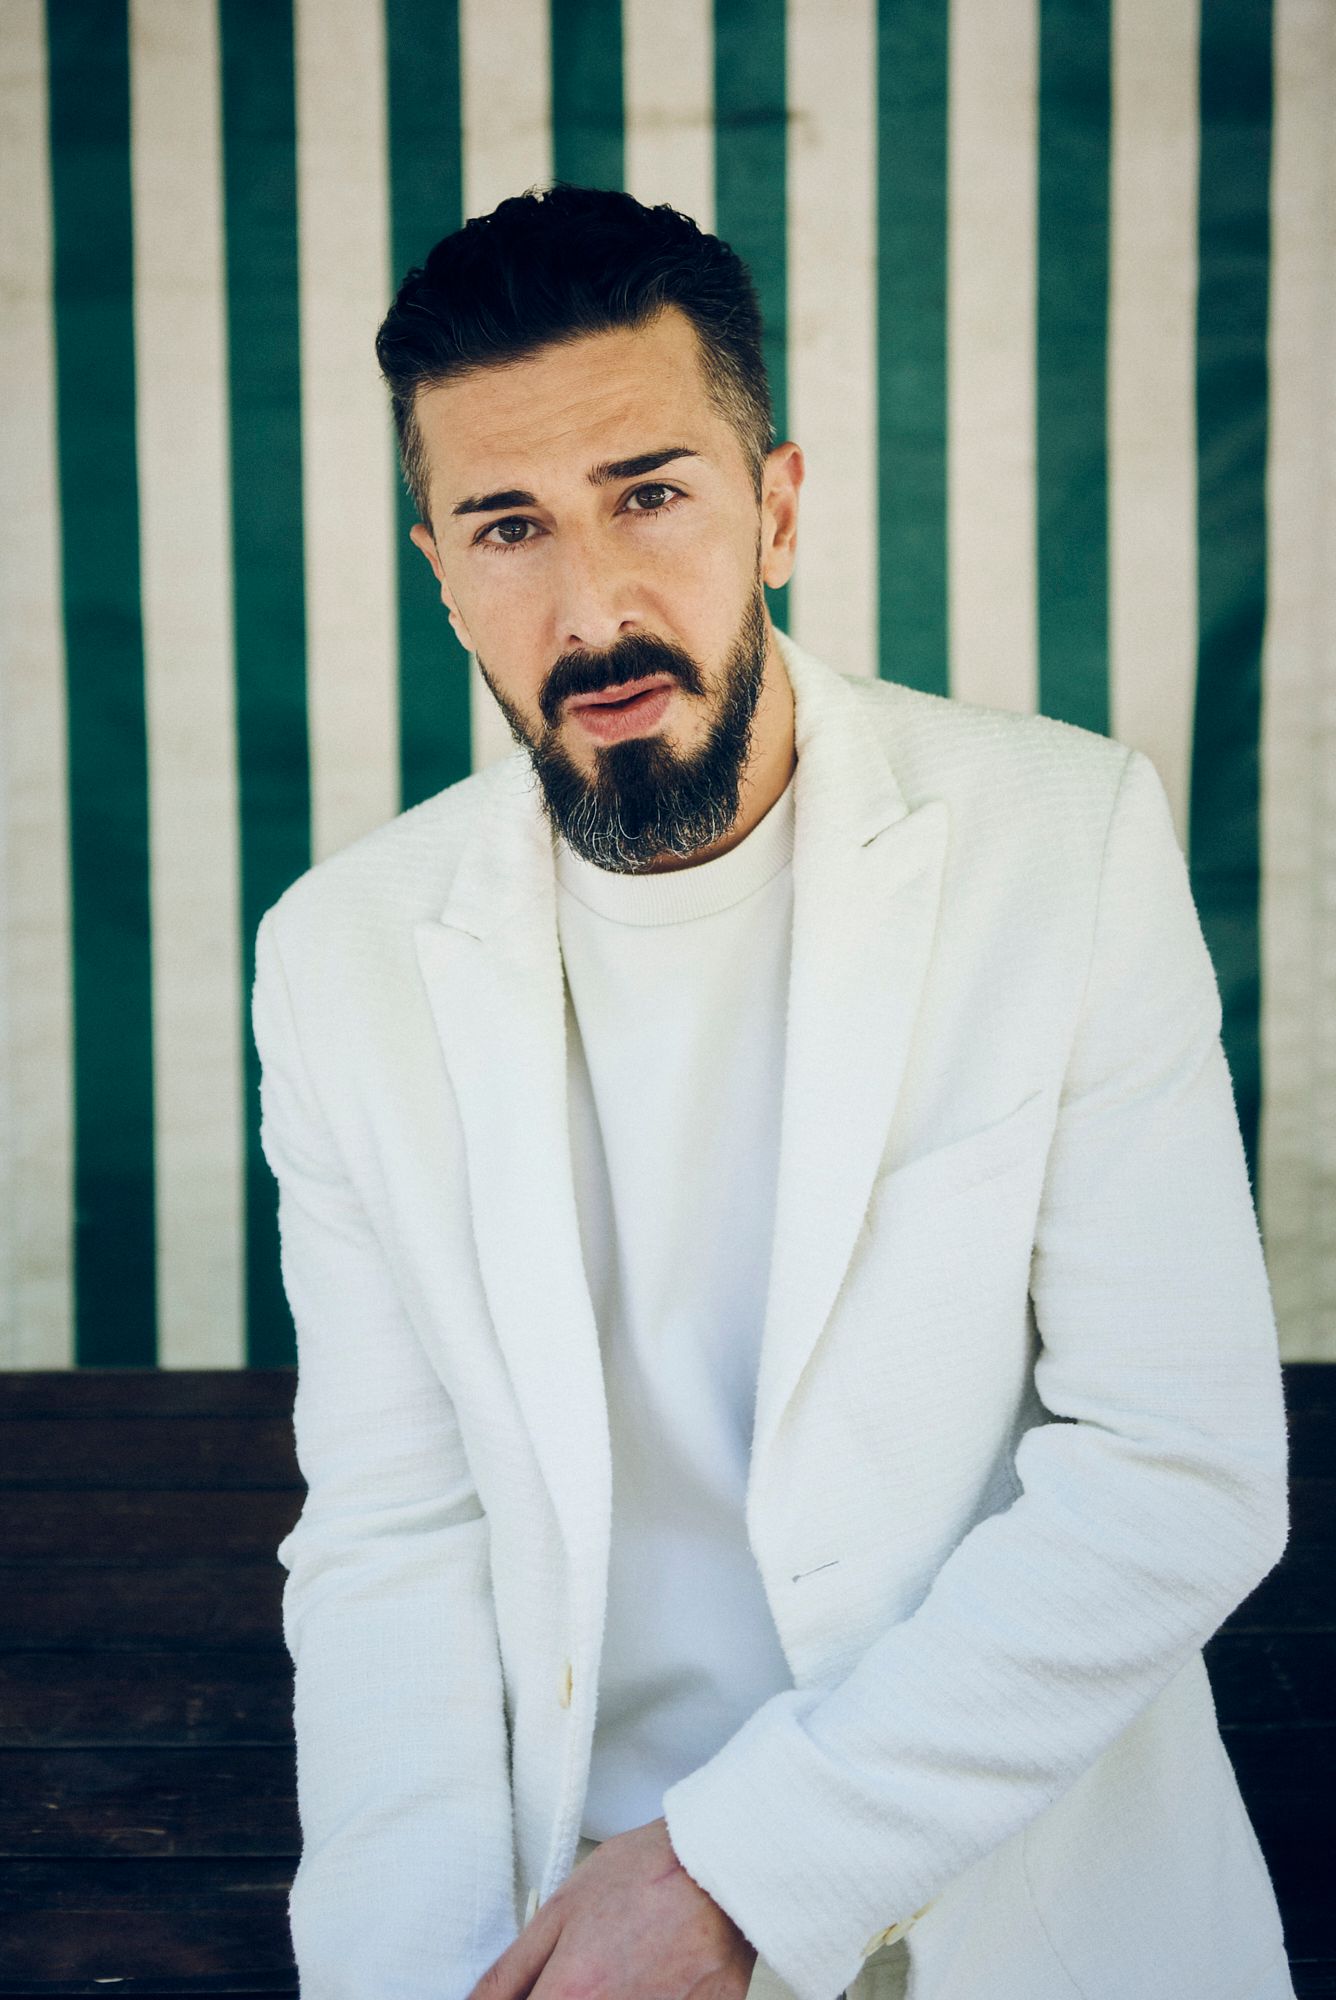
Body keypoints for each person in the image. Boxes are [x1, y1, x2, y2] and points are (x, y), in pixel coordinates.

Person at [253, 184, 1294, 2000]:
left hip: (1012, 1895)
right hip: (565, 1897)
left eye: (651, 495)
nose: (593, 605)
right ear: (441, 575)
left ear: (779, 508)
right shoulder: (338, 958)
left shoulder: (1063, 843)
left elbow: (1181, 1469)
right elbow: (391, 1537)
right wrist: (415, 1973)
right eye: (509, 527)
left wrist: (736, 1875)